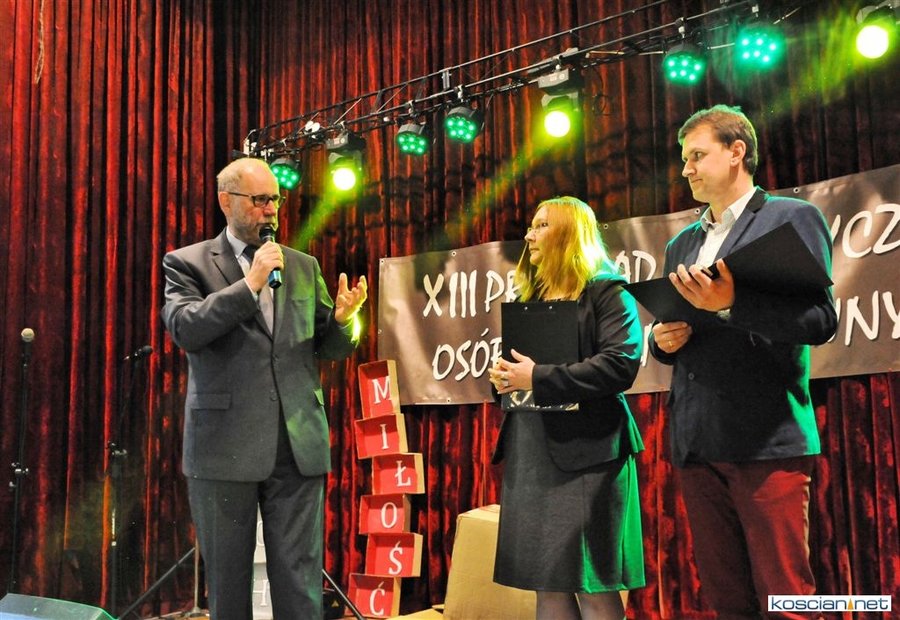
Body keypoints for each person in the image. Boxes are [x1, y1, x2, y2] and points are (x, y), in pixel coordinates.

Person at [649, 105, 837, 619]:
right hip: (697, 441)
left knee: (785, 597)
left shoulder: (790, 217)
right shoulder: (681, 244)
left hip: (766, 440)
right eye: (684, 159)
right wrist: (661, 341)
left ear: (737, 152)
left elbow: (821, 321)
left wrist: (732, 305)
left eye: (697, 156)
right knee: (726, 599)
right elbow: (673, 329)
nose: (686, 169)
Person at [160, 157, 367, 620]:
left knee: (300, 577)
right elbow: (186, 328)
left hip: (296, 443)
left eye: (275, 199)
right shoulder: (187, 263)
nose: (270, 209)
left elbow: (328, 347)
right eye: (259, 200)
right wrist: (250, 284)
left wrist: (342, 322)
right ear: (226, 201)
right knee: (229, 581)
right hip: (224, 446)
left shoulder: (302, 265)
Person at [488, 196, 645, 620]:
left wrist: (536, 377)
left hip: (589, 456)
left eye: (541, 226)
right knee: (547, 585)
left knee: (592, 586)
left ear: (570, 234)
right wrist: (503, 379)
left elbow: (620, 364)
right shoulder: (530, 296)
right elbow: (520, 373)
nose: (529, 236)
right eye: (531, 226)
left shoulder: (607, 291)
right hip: (533, 451)